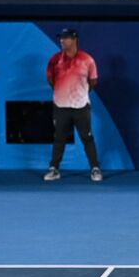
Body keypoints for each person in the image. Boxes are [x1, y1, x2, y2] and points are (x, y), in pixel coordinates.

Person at [44, 27, 102, 183]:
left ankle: (95, 168)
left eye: (66, 38)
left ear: (74, 39)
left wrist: (80, 94)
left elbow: (93, 81)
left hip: (81, 106)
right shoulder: (54, 60)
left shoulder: (87, 60)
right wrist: (63, 93)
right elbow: (51, 80)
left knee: (87, 138)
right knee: (59, 138)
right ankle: (54, 169)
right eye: (61, 38)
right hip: (60, 106)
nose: (62, 40)